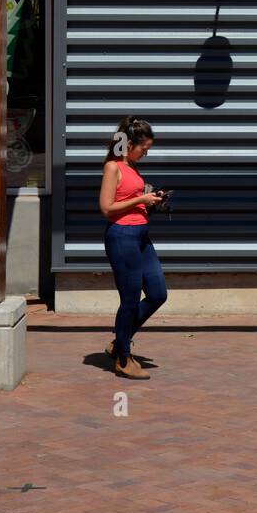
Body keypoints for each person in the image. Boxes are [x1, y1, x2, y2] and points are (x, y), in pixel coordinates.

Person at [99, 115, 168, 379]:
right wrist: (141, 197)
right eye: (144, 148)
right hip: (122, 236)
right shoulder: (113, 168)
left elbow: (131, 200)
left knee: (157, 293)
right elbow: (107, 208)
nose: (146, 153)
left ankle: (120, 340)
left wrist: (152, 201)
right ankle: (123, 358)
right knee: (129, 299)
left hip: (141, 235)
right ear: (129, 144)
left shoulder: (132, 167)